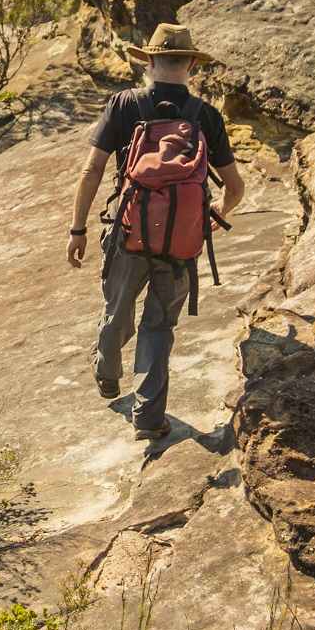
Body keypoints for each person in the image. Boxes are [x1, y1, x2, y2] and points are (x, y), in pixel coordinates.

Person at [67, 23, 246, 439]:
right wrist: (213, 212)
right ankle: (148, 417)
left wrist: (77, 229)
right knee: (158, 326)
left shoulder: (124, 105)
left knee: (117, 307)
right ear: (191, 67)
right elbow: (235, 187)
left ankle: (107, 374)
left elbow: (92, 169)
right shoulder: (206, 116)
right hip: (181, 241)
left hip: (129, 232)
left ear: (148, 61)